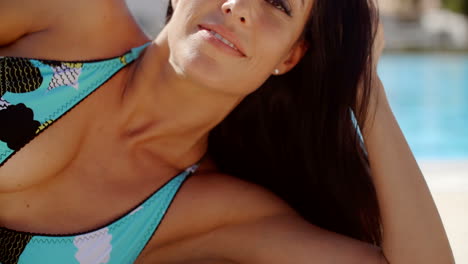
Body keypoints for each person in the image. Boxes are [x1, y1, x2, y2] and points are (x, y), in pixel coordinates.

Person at [0, 0, 454, 263]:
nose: (238, 5)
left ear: (289, 57)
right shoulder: (70, 15)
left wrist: (366, 89)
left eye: (278, 3)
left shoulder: (211, 211)